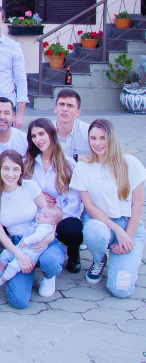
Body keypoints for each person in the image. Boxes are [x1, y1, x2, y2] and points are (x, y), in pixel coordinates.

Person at [70, 119, 145, 298]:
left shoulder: (130, 163)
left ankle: (123, 261)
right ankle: (99, 258)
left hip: (129, 225)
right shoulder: (82, 168)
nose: (97, 143)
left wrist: (126, 236)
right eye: (93, 138)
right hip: (100, 223)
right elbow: (89, 207)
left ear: (112, 138)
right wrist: (117, 229)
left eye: (102, 138)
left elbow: (137, 204)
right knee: (95, 232)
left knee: (121, 290)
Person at [0, 151, 65, 306]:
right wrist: (20, 255)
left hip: (42, 237)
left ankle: (49, 277)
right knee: (18, 301)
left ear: (21, 171)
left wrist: (48, 238)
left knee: (51, 261)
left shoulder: (30, 187)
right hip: (18, 244)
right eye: (6, 168)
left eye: (15, 169)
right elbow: (1, 235)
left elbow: (50, 216)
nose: (11, 174)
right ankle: (27, 269)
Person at [23, 118, 82, 273]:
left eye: (41, 134)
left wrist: (52, 226)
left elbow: (74, 203)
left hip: (60, 217)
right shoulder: (29, 162)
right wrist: (37, 195)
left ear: (51, 134)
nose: (38, 139)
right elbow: (22, 191)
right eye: (34, 136)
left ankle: (73, 250)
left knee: (72, 229)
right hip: (36, 214)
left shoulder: (68, 164)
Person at [0, 205, 63, 289]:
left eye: (45, 216)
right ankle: (1, 271)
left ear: (52, 223)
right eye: (40, 212)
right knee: (5, 254)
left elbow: (37, 237)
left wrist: (26, 241)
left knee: (13, 266)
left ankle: (1, 280)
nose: (40, 215)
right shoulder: (39, 223)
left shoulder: (45, 227)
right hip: (21, 247)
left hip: (30, 252)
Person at [52, 89, 90, 161]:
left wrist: (80, 158)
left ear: (78, 112)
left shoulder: (88, 132)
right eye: (61, 104)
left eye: (70, 106)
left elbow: (102, 158)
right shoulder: (45, 131)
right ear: (55, 109)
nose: (64, 109)